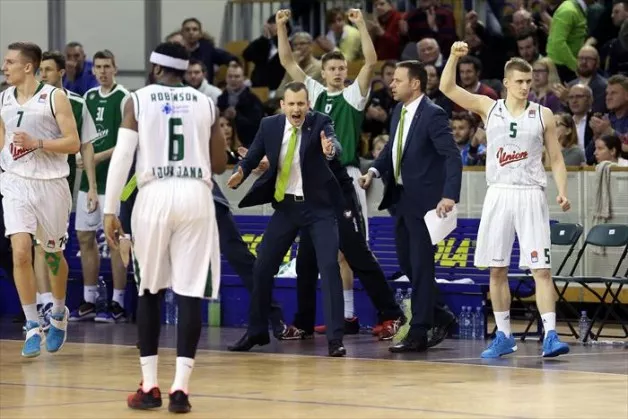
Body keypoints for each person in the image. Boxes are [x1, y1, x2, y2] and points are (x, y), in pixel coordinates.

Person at [103, 42, 227, 413]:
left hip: (154, 194)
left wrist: (111, 210)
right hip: (195, 195)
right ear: (185, 69)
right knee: (189, 293)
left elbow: (123, 156)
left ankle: (150, 386)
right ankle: (181, 390)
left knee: (150, 289)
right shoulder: (206, 102)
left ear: (156, 68)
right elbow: (219, 163)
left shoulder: (137, 100)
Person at [439, 41, 572, 358]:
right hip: (499, 193)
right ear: (507, 82)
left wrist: (562, 190)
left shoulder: (543, 114)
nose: (526, 86)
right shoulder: (489, 107)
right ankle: (503, 336)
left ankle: (551, 335)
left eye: (529, 81)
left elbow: (556, 158)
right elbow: (447, 88)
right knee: (496, 270)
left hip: (530, 194)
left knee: (541, 270)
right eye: (520, 81)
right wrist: (454, 57)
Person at [226, 82, 347, 357]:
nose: (296, 109)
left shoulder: (321, 123)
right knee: (262, 266)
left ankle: (335, 339)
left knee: (329, 268)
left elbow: (334, 146)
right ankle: (256, 331)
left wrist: (329, 150)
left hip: (319, 209)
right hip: (286, 208)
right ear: (282, 105)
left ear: (308, 105)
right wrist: (240, 172)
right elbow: (252, 156)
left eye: (301, 104)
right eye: (291, 104)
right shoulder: (269, 126)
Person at [277, 8, 378, 327]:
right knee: (330, 253)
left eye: (341, 67)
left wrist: (360, 25)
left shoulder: (354, 95)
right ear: (323, 71)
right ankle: (346, 315)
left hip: (345, 177)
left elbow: (371, 62)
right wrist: (281, 27)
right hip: (317, 181)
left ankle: (377, 312)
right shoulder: (315, 94)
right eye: (332, 68)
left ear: (347, 70)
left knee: (354, 249)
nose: (337, 72)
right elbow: (287, 62)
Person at [359, 60, 462, 353]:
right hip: (401, 200)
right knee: (406, 264)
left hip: (426, 204)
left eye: (397, 80)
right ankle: (440, 314)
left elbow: (452, 156)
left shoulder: (433, 114)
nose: (391, 84)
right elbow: (393, 148)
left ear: (415, 84)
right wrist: (373, 171)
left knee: (421, 265)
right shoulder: (398, 111)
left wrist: (449, 195)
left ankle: (419, 331)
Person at [0, 42, 80, 357]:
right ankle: (32, 325)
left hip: (51, 185)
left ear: (28, 66)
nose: (5, 67)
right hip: (16, 182)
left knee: (52, 255)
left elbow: (73, 143)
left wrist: (38, 143)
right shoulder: (3, 99)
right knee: (20, 251)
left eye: (10, 62)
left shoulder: (54, 97)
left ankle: (58, 313)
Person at [33, 50, 98, 330]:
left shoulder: (77, 103)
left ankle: (56, 305)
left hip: (61, 184)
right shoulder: (29, 102)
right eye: (40, 70)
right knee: (36, 244)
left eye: (48, 69)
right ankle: (44, 303)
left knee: (53, 246)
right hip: (30, 181)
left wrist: (91, 186)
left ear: (61, 72)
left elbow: (87, 145)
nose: (43, 75)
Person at [71, 49, 130, 323]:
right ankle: (90, 300)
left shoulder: (124, 97)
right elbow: (83, 138)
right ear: (92, 70)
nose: (102, 71)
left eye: (107, 66)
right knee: (85, 237)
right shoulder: (88, 97)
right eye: (98, 67)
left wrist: (96, 157)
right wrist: (81, 156)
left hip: (116, 182)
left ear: (115, 68)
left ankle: (118, 302)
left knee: (115, 239)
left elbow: (128, 143)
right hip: (90, 182)